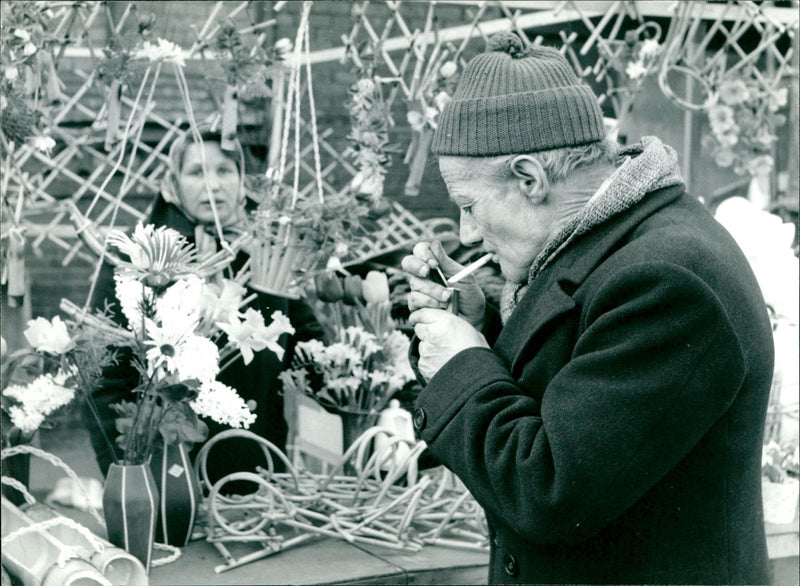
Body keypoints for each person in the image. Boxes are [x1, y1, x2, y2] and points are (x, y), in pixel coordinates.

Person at [402, 32, 774, 584]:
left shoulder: (667, 278)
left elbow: (549, 490)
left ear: (530, 178)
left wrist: (462, 367)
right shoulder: (615, 245)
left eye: (469, 206)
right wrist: (484, 328)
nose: (466, 233)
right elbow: (577, 374)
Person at [84, 125, 320, 488]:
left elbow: (306, 346)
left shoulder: (269, 254)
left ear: (242, 180)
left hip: (258, 466)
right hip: (165, 471)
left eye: (225, 170)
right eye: (196, 172)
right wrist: (125, 476)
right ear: (173, 182)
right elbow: (103, 375)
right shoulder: (140, 258)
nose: (212, 184)